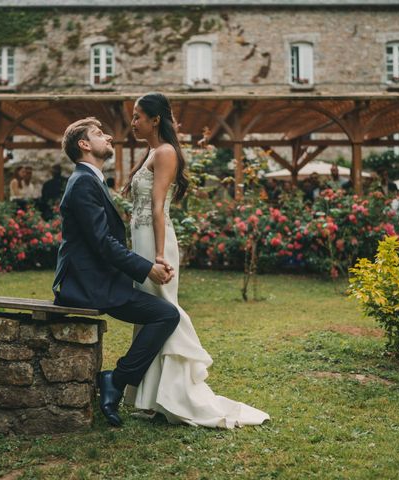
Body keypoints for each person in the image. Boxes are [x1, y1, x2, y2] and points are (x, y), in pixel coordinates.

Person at [124, 92, 269, 428]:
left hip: (155, 243)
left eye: (137, 117)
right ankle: (151, 396)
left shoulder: (166, 152)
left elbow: (159, 207)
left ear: (155, 119)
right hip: (141, 241)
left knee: (162, 310)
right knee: (148, 312)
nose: (133, 123)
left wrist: (159, 255)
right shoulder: (151, 151)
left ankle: (177, 394)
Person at [52, 117, 180, 427]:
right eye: (99, 134)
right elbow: (102, 243)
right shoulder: (83, 181)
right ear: (84, 145)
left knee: (164, 313)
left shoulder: (89, 179)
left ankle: (117, 379)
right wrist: (146, 268)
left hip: (98, 278)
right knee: (166, 315)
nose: (109, 136)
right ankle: (117, 379)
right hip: (88, 284)